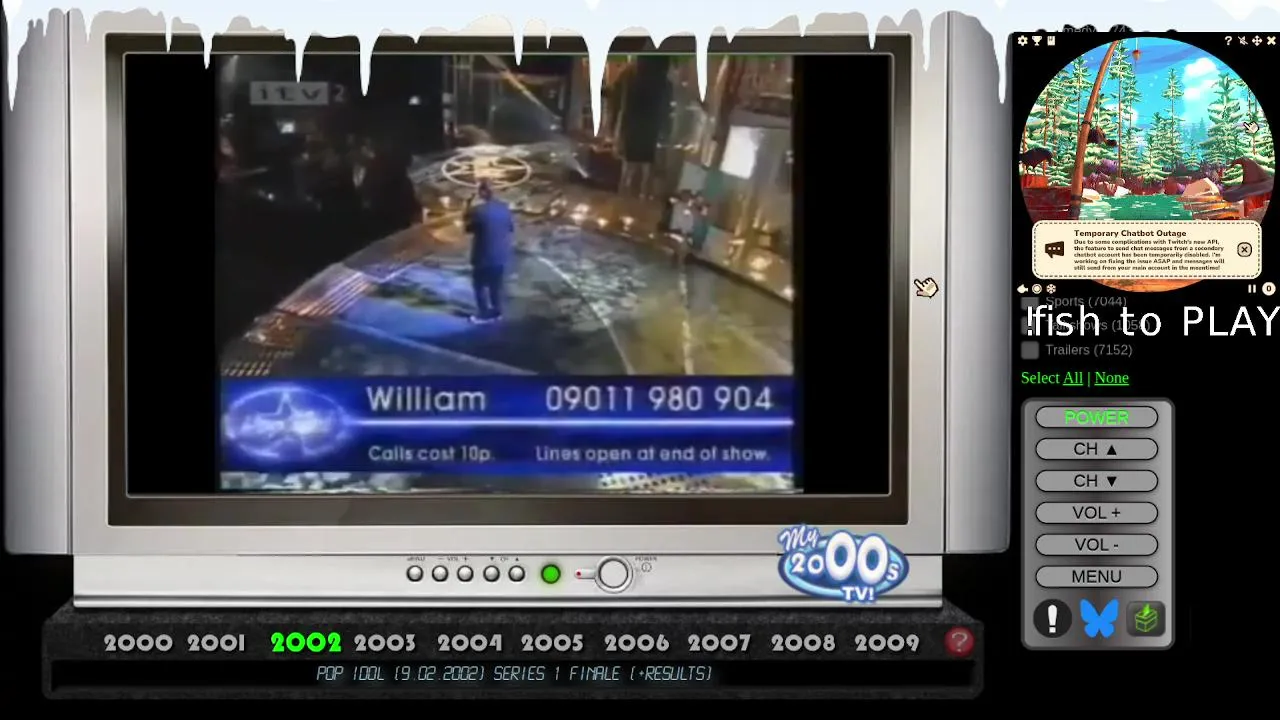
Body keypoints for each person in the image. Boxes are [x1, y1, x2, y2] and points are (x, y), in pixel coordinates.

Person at [464, 180, 516, 323]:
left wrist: (468, 206)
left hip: (483, 257)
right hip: (501, 256)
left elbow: (467, 228)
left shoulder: (478, 210)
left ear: (482, 192)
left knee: (479, 286)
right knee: (495, 286)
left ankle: (483, 314)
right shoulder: (505, 208)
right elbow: (511, 228)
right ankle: (497, 312)